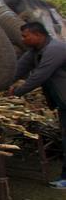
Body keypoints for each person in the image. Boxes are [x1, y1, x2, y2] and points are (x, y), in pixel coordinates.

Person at [7, 22, 66, 189]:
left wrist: (16, 92)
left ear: (38, 35)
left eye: (26, 36)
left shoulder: (55, 49)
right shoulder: (34, 51)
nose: (23, 39)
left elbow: (39, 76)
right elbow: (18, 69)